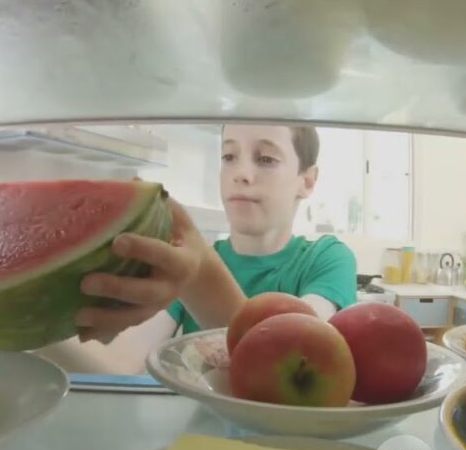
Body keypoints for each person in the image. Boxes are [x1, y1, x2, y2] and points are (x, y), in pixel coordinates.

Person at [37, 124, 358, 375]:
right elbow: (120, 362)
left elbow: (295, 353)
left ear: (307, 181)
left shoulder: (326, 257)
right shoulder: (183, 261)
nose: (242, 174)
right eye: (229, 156)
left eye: (265, 159)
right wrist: (31, 324)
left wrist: (199, 270)